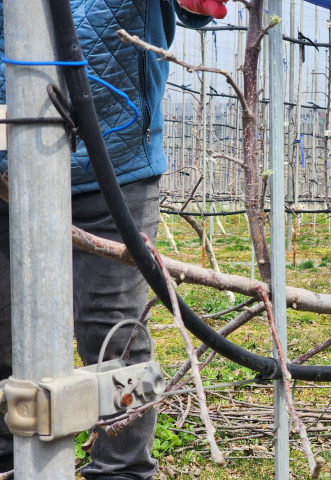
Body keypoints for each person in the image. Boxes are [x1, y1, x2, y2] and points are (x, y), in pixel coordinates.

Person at [0, 0, 228, 478]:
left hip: (113, 167)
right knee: (3, 333)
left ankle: (123, 470)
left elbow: (201, 9)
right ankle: (8, 463)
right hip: (6, 172)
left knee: (115, 337)